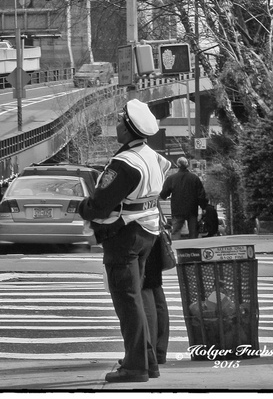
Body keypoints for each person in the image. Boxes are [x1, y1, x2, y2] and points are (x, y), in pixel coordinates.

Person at [78, 98, 171, 384]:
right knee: (138, 299)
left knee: (127, 302)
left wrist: (82, 206)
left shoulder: (125, 163)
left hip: (124, 237)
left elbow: (99, 204)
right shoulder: (153, 156)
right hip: (147, 234)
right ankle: (147, 361)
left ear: (129, 129)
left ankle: (135, 366)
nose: (116, 124)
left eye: (120, 121)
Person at [159, 157, 207, 239]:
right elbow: (201, 194)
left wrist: (160, 196)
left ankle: (175, 249)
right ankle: (193, 248)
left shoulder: (171, 178)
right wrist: (204, 207)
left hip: (177, 209)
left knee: (176, 231)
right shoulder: (194, 178)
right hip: (192, 209)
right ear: (187, 165)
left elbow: (164, 194)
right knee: (193, 232)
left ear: (177, 165)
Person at [141, 230, 170, 365]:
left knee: (146, 291)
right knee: (155, 290)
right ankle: (158, 352)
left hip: (140, 236)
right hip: (152, 234)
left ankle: (150, 353)